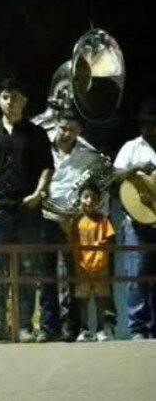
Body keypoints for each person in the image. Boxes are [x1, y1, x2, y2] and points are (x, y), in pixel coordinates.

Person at [0, 77, 53, 344]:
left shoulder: (36, 133)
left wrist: (39, 193)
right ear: (0, 99)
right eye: (5, 96)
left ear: (24, 101)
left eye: (15, 97)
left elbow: (47, 167)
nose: (10, 101)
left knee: (28, 269)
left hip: (27, 208)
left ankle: (24, 327)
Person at [45, 111, 112, 341]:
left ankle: (71, 329)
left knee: (70, 279)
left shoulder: (89, 157)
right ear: (56, 126)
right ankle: (47, 327)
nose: (66, 133)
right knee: (44, 276)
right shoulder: (42, 149)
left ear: (79, 132)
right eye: (62, 128)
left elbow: (99, 189)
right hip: (45, 218)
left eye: (71, 130)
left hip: (74, 223)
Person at [112, 98, 156, 340]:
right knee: (137, 275)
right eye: (146, 124)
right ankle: (138, 328)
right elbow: (115, 175)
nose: (149, 129)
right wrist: (136, 168)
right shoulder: (132, 147)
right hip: (137, 222)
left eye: (154, 124)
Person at [69, 182, 117, 341]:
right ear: (80, 199)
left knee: (102, 299)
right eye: (86, 197)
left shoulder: (103, 220)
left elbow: (111, 241)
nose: (89, 201)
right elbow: (71, 243)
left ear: (98, 201)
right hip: (82, 266)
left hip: (101, 266)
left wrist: (105, 245)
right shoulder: (75, 221)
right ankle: (83, 329)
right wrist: (76, 264)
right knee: (82, 300)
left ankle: (101, 329)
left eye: (93, 198)